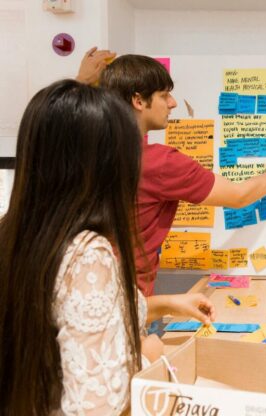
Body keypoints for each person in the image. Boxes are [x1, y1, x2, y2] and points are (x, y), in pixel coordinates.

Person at [0, 80, 216, 415]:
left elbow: (78, 315)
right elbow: (95, 406)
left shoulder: (15, 232)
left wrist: (168, 303)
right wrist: (149, 358)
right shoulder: (88, 254)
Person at [81, 54, 266, 296]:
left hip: (88, 287)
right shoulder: (158, 163)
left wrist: (81, 82)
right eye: (164, 95)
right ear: (138, 100)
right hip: (126, 297)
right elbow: (238, 196)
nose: (173, 103)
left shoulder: (87, 149)